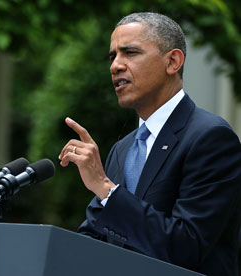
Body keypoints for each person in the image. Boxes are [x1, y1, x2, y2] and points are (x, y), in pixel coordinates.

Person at [58, 12, 241, 276]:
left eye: (130, 53)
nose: (115, 66)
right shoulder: (122, 150)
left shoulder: (210, 137)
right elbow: (95, 236)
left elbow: (186, 247)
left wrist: (106, 189)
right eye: (113, 56)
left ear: (173, 62)